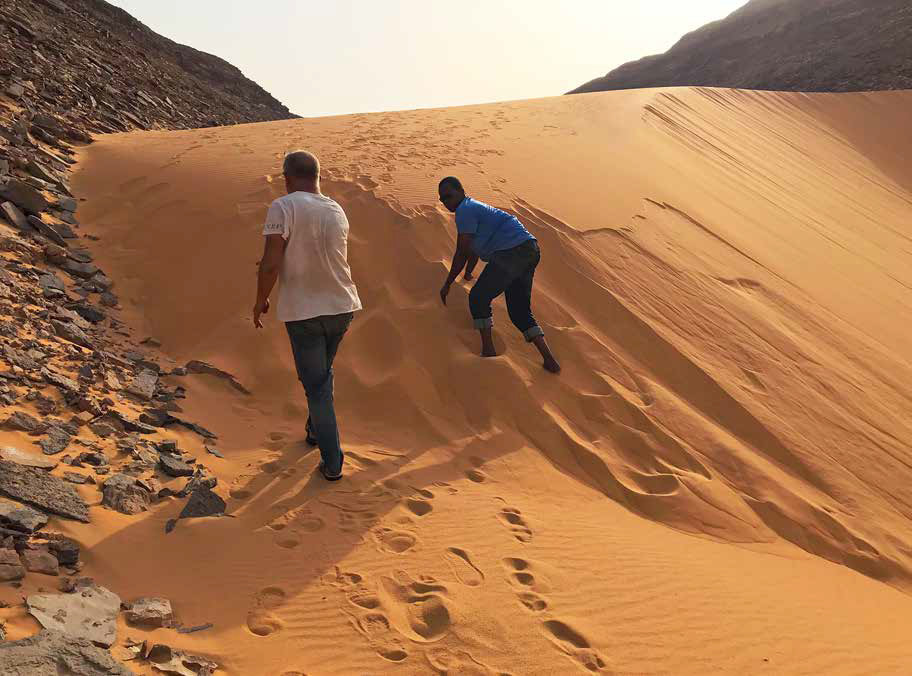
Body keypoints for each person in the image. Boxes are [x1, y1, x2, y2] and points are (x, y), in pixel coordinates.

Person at [253, 151, 362, 480]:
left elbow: (270, 262)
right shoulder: (336, 209)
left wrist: (260, 300)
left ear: (287, 178)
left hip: (305, 313)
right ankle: (315, 430)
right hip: (342, 307)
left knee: (317, 388)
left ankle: (333, 463)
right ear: (318, 177)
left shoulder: (283, 206)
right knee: (322, 376)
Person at [438, 177, 560, 373]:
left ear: (461, 192)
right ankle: (549, 359)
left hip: (511, 252)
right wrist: (468, 273)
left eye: (448, 196)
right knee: (519, 311)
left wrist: (447, 283)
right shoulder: (473, 208)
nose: (446, 202)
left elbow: (462, 252)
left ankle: (488, 350)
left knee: (478, 297)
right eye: (442, 199)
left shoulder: (464, 210)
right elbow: (472, 250)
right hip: (529, 249)